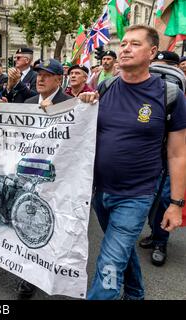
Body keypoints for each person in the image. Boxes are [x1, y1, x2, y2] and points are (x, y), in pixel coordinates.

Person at [79, 25, 186, 300]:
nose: (125, 48)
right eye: (123, 43)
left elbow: (177, 154)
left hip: (136, 196)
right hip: (100, 194)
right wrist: (84, 104)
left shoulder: (170, 95)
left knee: (110, 264)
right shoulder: (105, 86)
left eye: (134, 44)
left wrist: (175, 205)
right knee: (121, 249)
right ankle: (136, 293)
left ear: (152, 52)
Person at [16, 58, 73, 298]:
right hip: (29, 173)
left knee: (51, 225)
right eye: (39, 74)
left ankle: (52, 267)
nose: (40, 78)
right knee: (28, 223)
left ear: (59, 79)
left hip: (57, 177)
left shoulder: (71, 104)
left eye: (47, 75)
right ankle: (29, 275)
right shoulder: (29, 102)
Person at [138, 50, 185, 267]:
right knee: (148, 198)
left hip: (170, 153)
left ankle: (161, 241)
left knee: (164, 198)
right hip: (147, 152)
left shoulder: (178, 94)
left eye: (166, 67)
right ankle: (154, 231)